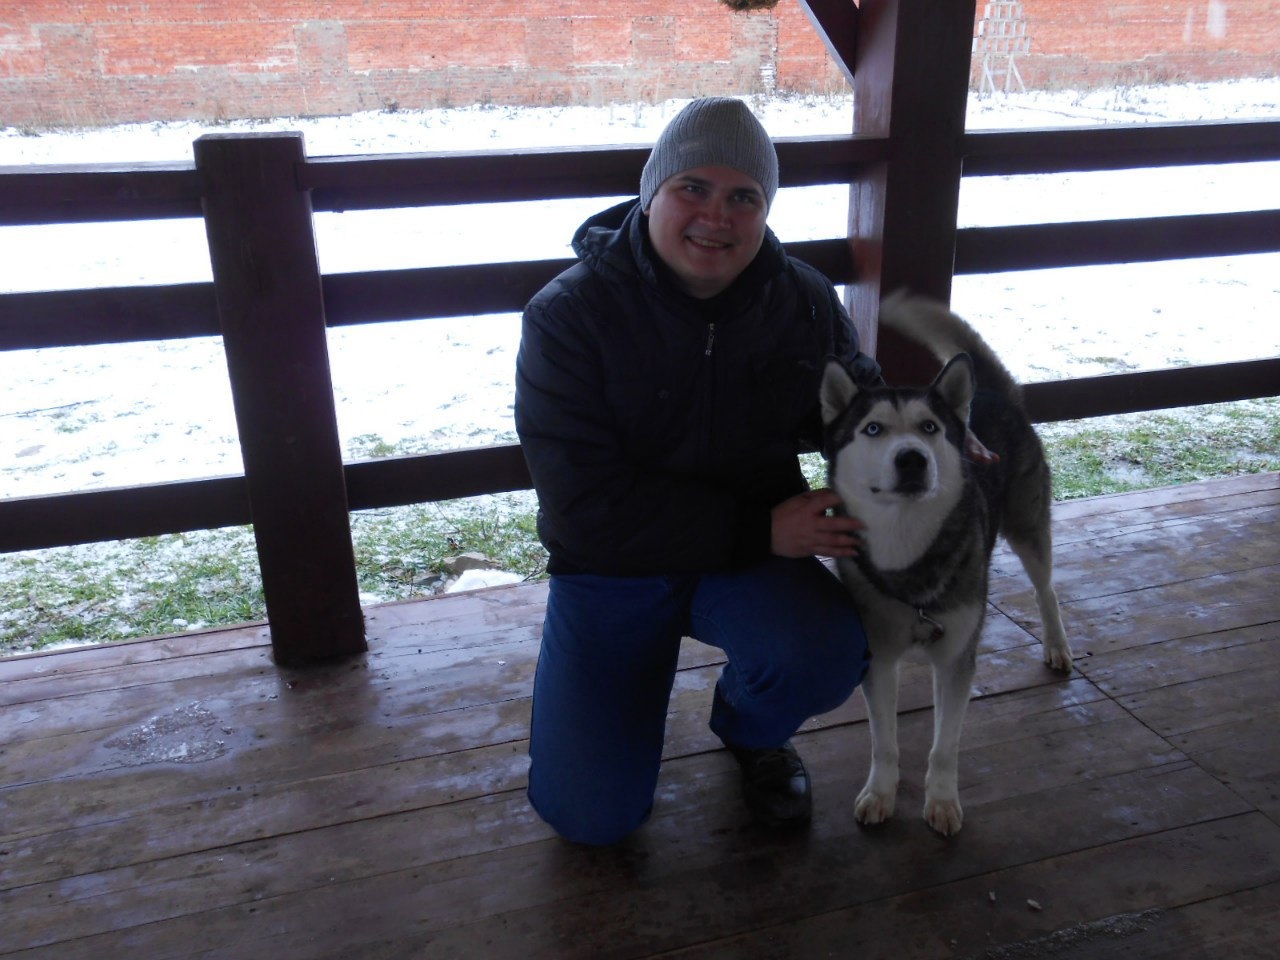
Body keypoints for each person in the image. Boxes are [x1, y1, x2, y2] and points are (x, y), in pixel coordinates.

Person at [514, 97, 881, 846]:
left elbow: (857, 406)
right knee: (590, 817)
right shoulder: (568, 316)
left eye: (743, 197)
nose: (717, 216)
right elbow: (584, 506)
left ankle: (749, 730)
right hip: (613, 570)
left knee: (824, 654)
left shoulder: (802, 300)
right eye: (694, 189)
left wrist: (937, 438)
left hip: (747, 565)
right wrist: (762, 526)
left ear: (765, 211)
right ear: (653, 192)